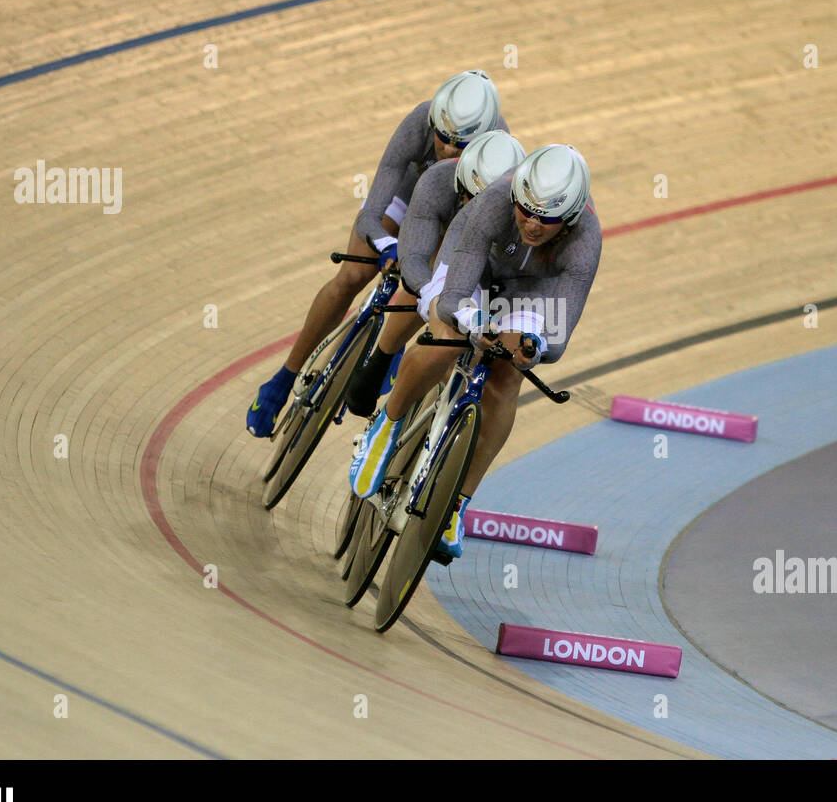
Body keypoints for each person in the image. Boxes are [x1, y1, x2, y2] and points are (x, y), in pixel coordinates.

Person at [348, 144, 601, 560]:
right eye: (526, 211)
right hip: (474, 264)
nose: (533, 225)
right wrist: (472, 323)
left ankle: (458, 503)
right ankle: (386, 426)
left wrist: (531, 347)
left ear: (570, 220)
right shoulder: (495, 202)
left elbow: (557, 339)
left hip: (531, 291)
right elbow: (453, 297)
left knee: (507, 379)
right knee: (445, 339)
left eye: (548, 219)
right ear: (516, 196)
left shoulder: (586, 243)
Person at [245, 70, 506, 437]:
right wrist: (384, 244)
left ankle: (393, 342)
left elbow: (470, 244)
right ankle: (283, 377)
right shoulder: (419, 121)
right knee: (353, 273)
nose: (448, 150)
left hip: (449, 212)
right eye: (443, 139)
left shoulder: (499, 153)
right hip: (409, 190)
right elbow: (371, 213)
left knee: (434, 275)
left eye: (461, 146)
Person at [342, 128, 527, 418]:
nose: (473, 208)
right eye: (468, 197)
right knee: (432, 278)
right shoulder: (441, 178)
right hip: (446, 241)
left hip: (494, 254)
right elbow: (417, 260)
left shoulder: (519, 210)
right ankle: (382, 358)